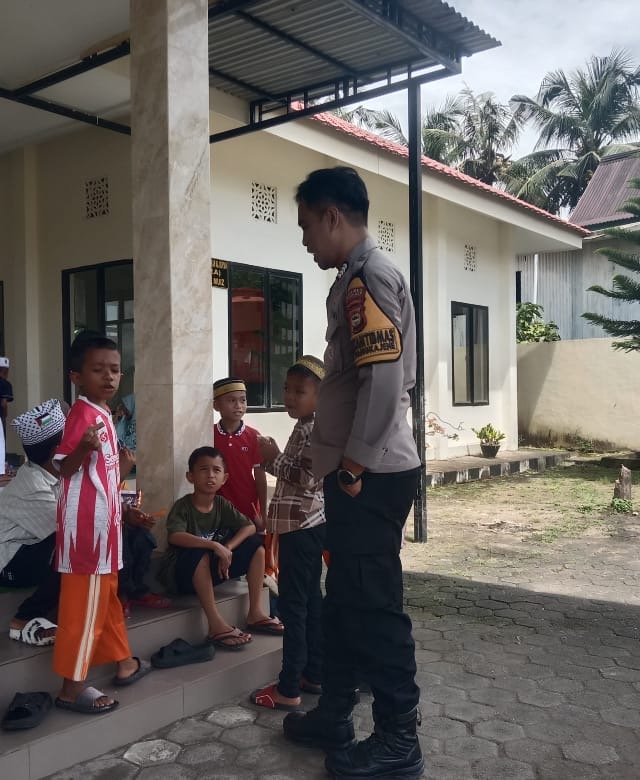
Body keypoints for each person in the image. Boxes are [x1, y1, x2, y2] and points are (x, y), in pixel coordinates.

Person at [283, 167, 425, 779]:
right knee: (342, 602)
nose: (305, 240)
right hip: (355, 471)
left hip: (371, 473)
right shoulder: (352, 278)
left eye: (307, 226)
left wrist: (355, 463)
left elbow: (385, 380)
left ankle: (399, 740)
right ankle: (335, 714)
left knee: (374, 607)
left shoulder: (370, 277)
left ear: (332, 216)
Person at [51, 332, 149, 715]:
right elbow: (64, 469)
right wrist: (82, 448)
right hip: (87, 534)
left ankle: (124, 663)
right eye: (98, 370)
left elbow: (103, 477)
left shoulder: (104, 413)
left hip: (105, 529)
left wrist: (124, 497)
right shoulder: (81, 415)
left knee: (106, 599)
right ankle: (71, 689)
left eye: (115, 370)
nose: (109, 377)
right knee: (85, 609)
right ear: (76, 376)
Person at [250, 355, 327, 712]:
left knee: (294, 607)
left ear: (320, 396)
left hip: (301, 528)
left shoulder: (315, 429)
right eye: (286, 389)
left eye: (300, 391)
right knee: (310, 601)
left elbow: (307, 477)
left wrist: (272, 457)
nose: (290, 397)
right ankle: (314, 673)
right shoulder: (306, 425)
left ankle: (288, 688)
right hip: (301, 527)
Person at [159, 446, 282, 649]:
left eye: (216, 470)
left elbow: (250, 527)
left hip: (211, 571)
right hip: (181, 577)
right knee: (199, 553)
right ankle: (215, 624)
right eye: (203, 469)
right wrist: (214, 545)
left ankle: (255, 612)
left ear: (224, 478)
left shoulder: (221, 504)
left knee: (256, 545)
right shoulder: (183, 506)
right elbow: (175, 536)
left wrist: (228, 547)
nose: (210, 475)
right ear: (190, 476)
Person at [0, 398, 67, 647]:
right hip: (6, 563)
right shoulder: (33, 486)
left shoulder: (53, 474)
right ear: (57, 450)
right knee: (73, 544)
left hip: (30, 548)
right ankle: (24, 617)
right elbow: (70, 526)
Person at [212, 377, 276, 612]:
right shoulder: (209, 435)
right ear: (216, 405)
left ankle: (257, 607)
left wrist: (263, 513)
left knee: (255, 554)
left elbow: (259, 478)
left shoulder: (253, 436)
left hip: (248, 512)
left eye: (243, 400)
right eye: (231, 401)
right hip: (219, 513)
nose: (239, 406)